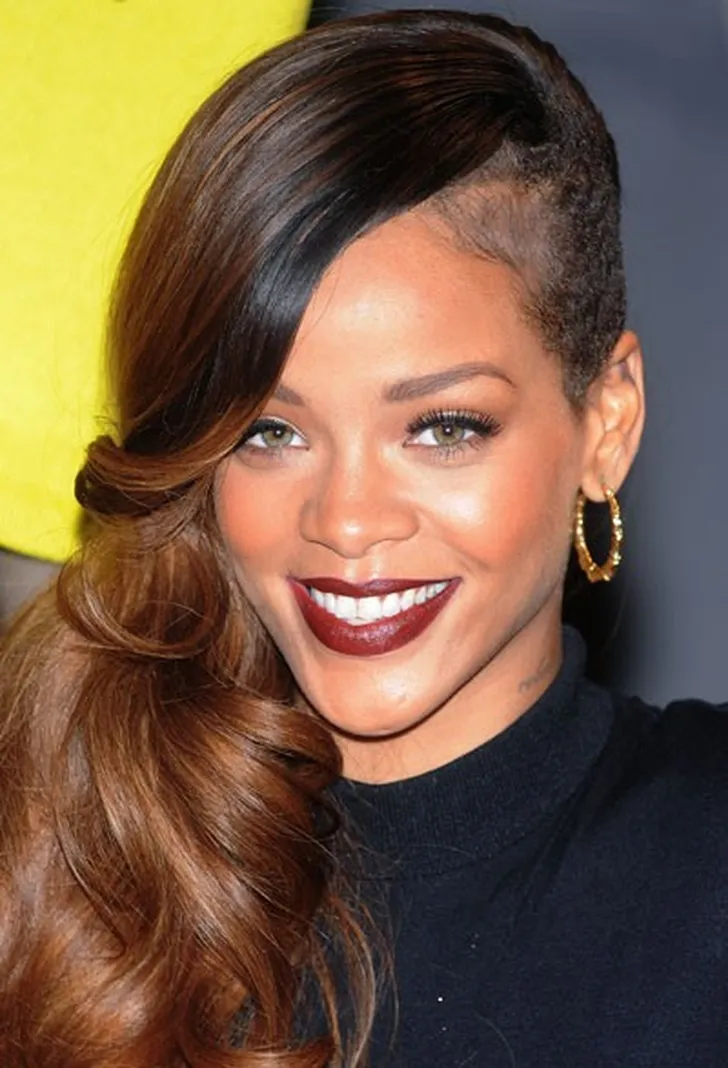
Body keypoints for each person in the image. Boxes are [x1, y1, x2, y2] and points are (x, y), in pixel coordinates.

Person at [1, 9, 726, 1067]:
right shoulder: (54, 852)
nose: (344, 521)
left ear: (605, 423)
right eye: (270, 431)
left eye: (442, 427)